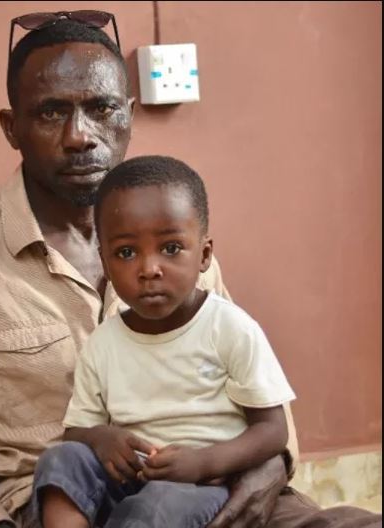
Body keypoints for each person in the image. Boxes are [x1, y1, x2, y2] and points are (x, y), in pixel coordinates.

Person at [0, 11, 380, 528]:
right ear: (11, 127)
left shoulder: (180, 243)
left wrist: (269, 470)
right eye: (50, 114)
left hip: (209, 489)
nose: (80, 136)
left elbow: (253, 384)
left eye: (101, 108)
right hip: (55, 507)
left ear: (128, 116)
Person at [31, 155, 297, 528]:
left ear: (204, 255)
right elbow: (76, 430)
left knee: (155, 506)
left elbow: (273, 431)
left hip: (201, 484)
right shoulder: (103, 343)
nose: (149, 269)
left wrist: (203, 462)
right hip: (131, 478)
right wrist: (103, 438)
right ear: (105, 263)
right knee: (59, 461)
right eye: (126, 253)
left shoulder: (230, 328)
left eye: (170, 248)